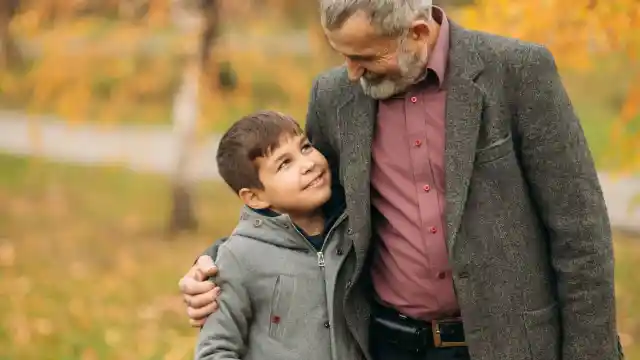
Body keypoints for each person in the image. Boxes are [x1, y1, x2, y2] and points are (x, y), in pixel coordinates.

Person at [179, 1, 624, 360]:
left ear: (417, 32)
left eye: (365, 56)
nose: (352, 72)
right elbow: (310, 202)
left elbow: (580, 233)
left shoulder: (518, 71)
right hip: (389, 343)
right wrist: (220, 258)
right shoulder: (333, 95)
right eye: (343, 55)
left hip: (511, 343)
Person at [193, 110, 364, 360]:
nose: (308, 165)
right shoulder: (240, 258)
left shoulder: (353, 231)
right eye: (285, 163)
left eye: (305, 147)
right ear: (255, 197)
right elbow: (215, 350)